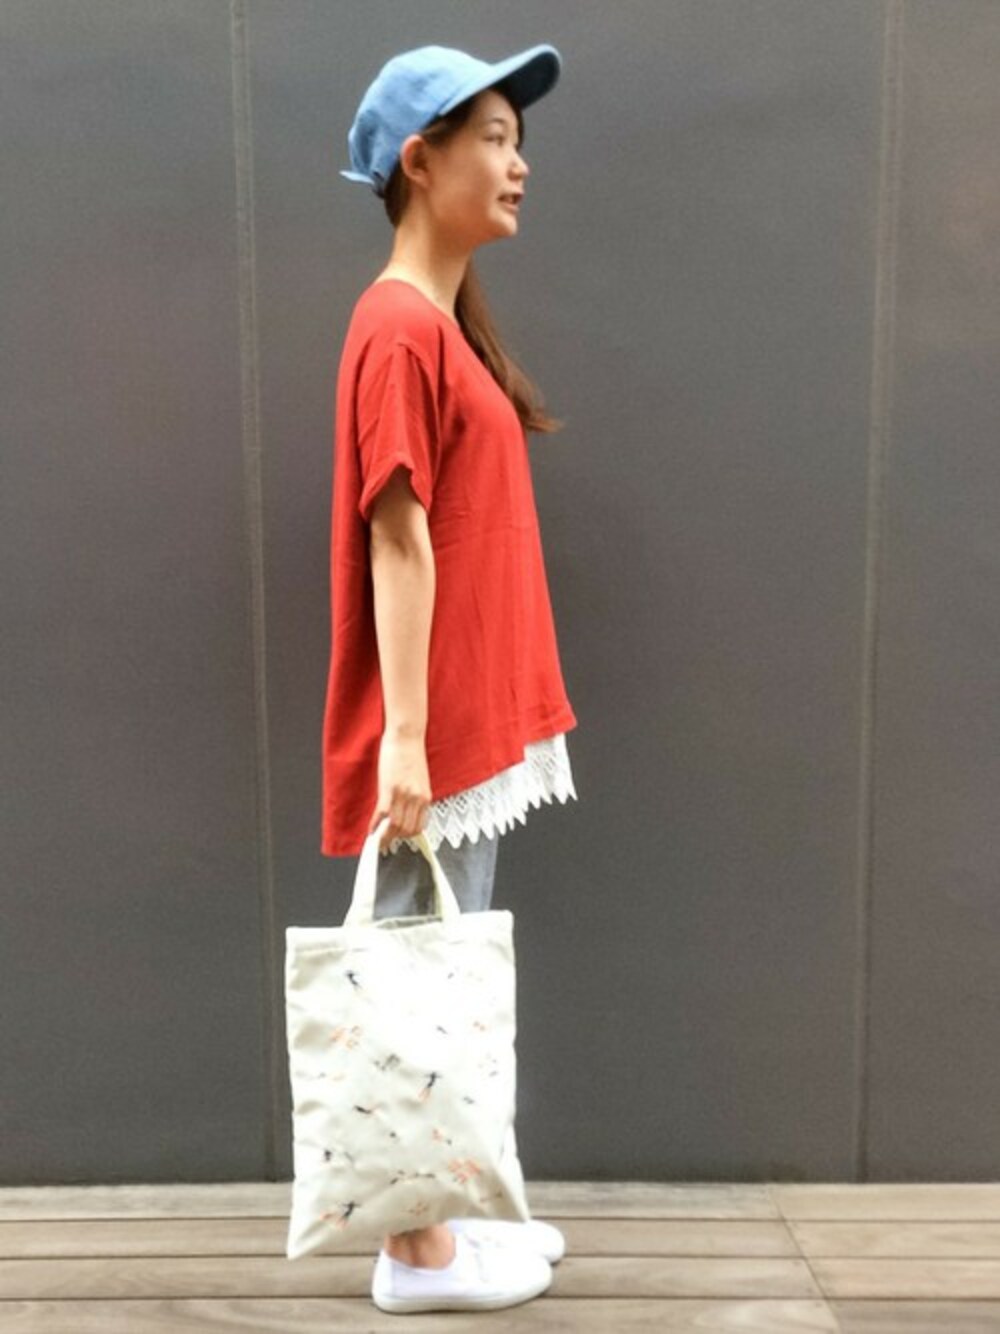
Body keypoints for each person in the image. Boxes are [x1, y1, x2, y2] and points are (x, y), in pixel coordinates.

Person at [322, 43, 579, 1314]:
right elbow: (397, 536)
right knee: (420, 978)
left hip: (472, 715)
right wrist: (408, 740)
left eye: (516, 138)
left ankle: (446, 1219)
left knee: (448, 975)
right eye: (490, 135)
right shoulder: (395, 327)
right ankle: (414, 1251)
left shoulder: (438, 325)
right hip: (437, 730)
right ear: (418, 162)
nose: (517, 161)